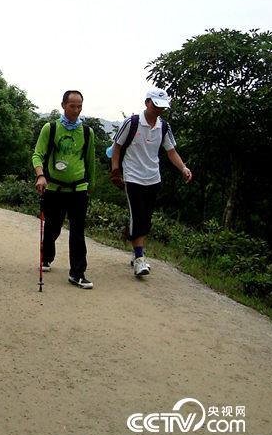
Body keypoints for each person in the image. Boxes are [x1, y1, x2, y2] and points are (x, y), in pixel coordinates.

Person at [110, 88, 193, 277]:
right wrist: (116, 170)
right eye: (156, 105)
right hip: (132, 177)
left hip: (153, 178)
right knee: (137, 216)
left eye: (162, 107)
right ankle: (140, 258)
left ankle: (136, 251)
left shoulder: (164, 127)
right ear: (147, 102)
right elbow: (117, 146)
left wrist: (183, 168)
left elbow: (171, 151)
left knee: (146, 218)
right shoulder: (131, 123)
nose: (159, 110)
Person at [32, 90, 97, 289]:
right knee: (53, 225)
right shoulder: (50, 128)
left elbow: (90, 161)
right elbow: (37, 154)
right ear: (63, 105)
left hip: (78, 188)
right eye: (72, 106)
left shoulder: (87, 132)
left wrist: (91, 185)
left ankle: (77, 273)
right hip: (55, 188)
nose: (76, 110)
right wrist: (40, 175)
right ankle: (47, 255)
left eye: (79, 106)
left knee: (78, 231)